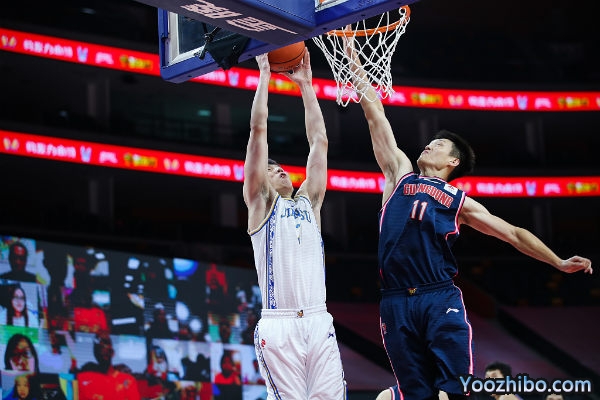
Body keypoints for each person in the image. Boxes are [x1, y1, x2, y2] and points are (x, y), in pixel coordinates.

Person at [349, 44, 593, 400]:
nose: (429, 146)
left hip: (437, 296)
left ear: (453, 162)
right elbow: (374, 113)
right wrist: (351, 55)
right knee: (414, 393)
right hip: (394, 299)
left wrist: (556, 261)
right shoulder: (398, 175)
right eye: (430, 142)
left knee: (455, 389)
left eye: (438, 145)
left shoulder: (459, 202)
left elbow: (513, 233)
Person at [243, 50, 346, 399]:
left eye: (281, 167)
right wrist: (265, 75)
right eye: (271, 170)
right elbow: (258, 131)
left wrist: (305, 85)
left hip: (319, 320)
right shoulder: (261, 204)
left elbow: (320, 142)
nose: (280, 170)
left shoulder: (309, 202)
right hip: (280, 323)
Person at [77, 329, 141, 400]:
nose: (102, 346)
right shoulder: (82, 379)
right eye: (98, 344)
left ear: (112, 352)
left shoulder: (128, 381)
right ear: (95, 352)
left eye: (105, 343)